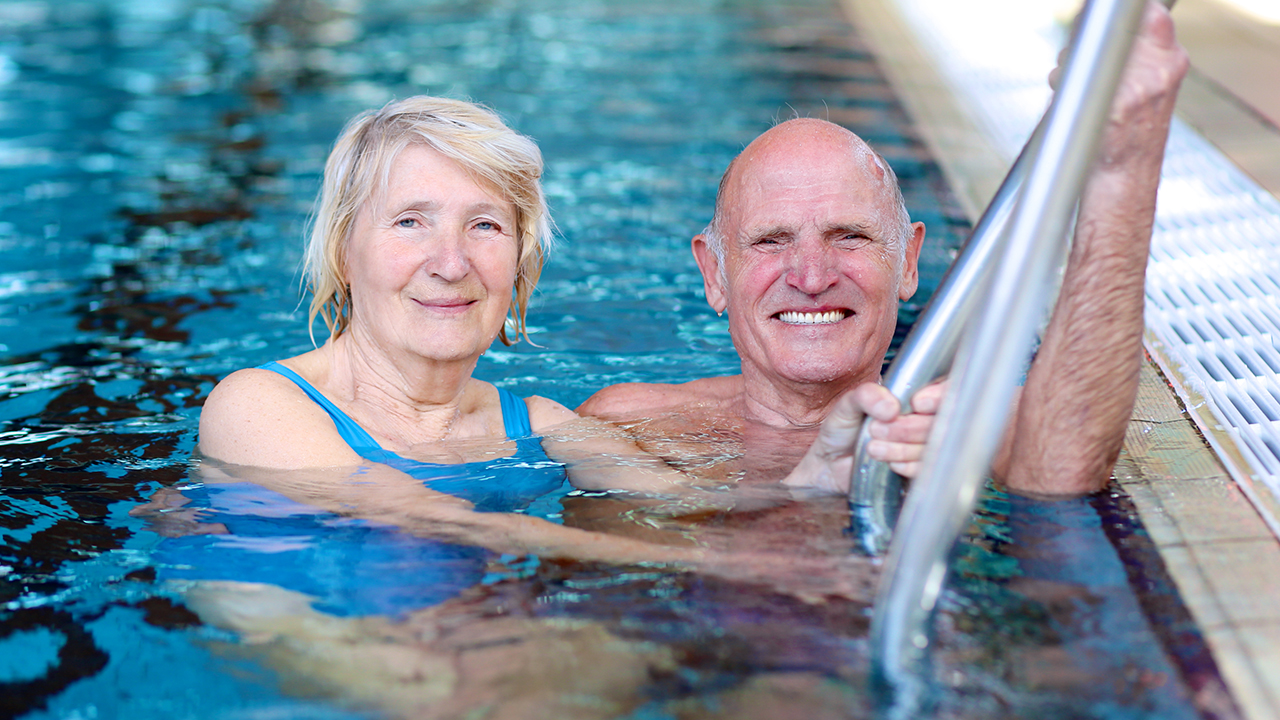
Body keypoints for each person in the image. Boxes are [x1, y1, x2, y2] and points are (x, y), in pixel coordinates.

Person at [187, 95, 875, 605]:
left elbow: (688, 512)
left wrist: (809, 483)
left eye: (484, 225)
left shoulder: (542, 427)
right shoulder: (257, 404)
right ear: (343, 250)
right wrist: (738, 569)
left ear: (519, 262)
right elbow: (432, 520)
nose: (451, 262)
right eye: (410, 222)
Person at [578, 0, 1189, 497]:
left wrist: (1123, 169)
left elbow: (1066, 470)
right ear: (713, 273)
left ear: (909, 261)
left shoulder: (962, 421)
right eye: (771, 241)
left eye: (850, 237)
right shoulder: (636, 425)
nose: (812, 277)